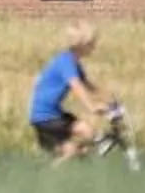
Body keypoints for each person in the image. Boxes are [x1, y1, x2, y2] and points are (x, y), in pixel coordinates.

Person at [28, 21, 111, 160]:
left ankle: (51, 175)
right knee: (86, 131)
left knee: (73, 151)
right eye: (92, 44)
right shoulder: (66, 63)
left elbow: (88, 85)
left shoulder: (72, 62)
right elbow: (77, 86)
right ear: (82, 45)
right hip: (46, 116)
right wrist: (92, 106)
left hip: (50, 114)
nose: (94, 47)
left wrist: (110, 98)